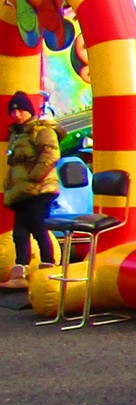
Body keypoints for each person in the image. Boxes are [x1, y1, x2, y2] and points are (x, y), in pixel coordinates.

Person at [4, 90, 60, 289]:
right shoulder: (16, 134)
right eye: (13, 111)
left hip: (40, 189)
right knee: (20, 232)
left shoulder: (41, 130)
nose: (17, 114)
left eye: (21, 110)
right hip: (22, 190)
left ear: (29, 111)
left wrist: (34, 178)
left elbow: (50, 155)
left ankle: (48, 270)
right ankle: (20, 274)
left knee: (37, 227)